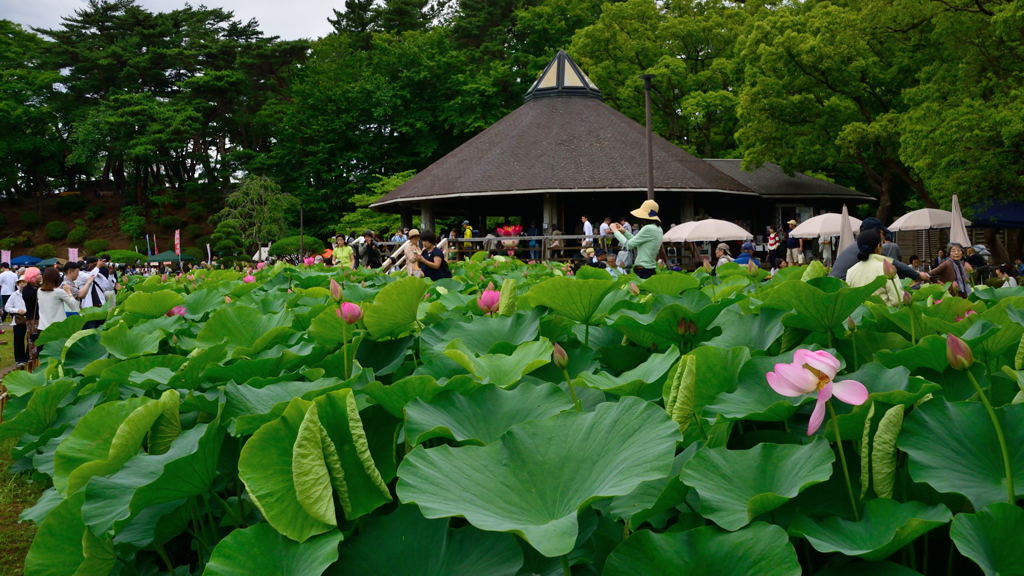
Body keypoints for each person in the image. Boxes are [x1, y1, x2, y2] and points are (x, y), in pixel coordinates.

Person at [830, 218, 929, 282]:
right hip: (841, 289)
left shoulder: (854, 246)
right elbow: (893, 264)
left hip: (834, 286)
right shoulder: (869, 248)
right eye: (882, 233)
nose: (883, 236)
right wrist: (918, 275)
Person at [846, 228, 904, 306]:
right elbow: (898, 300)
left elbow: (850, 301)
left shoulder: (850, 272)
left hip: (859, 317)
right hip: (883, 316)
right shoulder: (885, 268)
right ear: (878, 246)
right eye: (882, 243)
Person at [611, 199, 663, 279]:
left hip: (642, 270)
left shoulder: (647, 228)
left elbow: (629, 245)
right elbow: (636, 241)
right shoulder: (658, 229)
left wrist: (615, 231)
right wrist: (624, 232)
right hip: (651, 269)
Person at [37, 267, 80, 333]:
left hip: (42, 327)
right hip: (57, 328)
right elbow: (74, 306)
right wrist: (69, 292)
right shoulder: (59, 292)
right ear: (57, 278)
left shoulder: (39, 291)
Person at [5, 277, 28, 366]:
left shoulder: (32, 293)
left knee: (30, 339)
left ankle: (28, 357)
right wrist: (17, 310)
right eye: (20, 282)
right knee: (18, 340)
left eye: (24, 282)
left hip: (30, 318)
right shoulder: (14, 295)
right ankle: (19, 359)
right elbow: (7, 307)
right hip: (19, 320)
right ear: (17, 284)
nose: (22, 284)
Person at [0, 262, 17, 327]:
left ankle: (3, 319)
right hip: (12, 292)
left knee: (6, 307)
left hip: (4, 293)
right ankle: (14, 320)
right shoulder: (14, 274)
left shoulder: (2, 275)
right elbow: (16, 284)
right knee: (11, 307)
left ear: (3, 267)